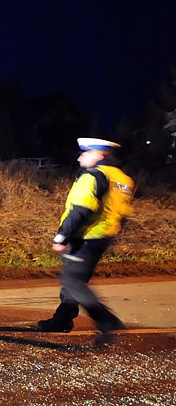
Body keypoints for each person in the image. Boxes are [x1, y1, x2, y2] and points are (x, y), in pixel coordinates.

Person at [36, 137, 135, 339]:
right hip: (103, 236)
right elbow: (123, 212)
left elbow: (80, 209)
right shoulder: (123, 179)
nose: (80, 158)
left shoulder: (92, 176)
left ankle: (106, 320)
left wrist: (61, 237)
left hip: (85, 237)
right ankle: (62, 320)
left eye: (85, 153)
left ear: (99, 155)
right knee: (75, 281)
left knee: (72, 281)